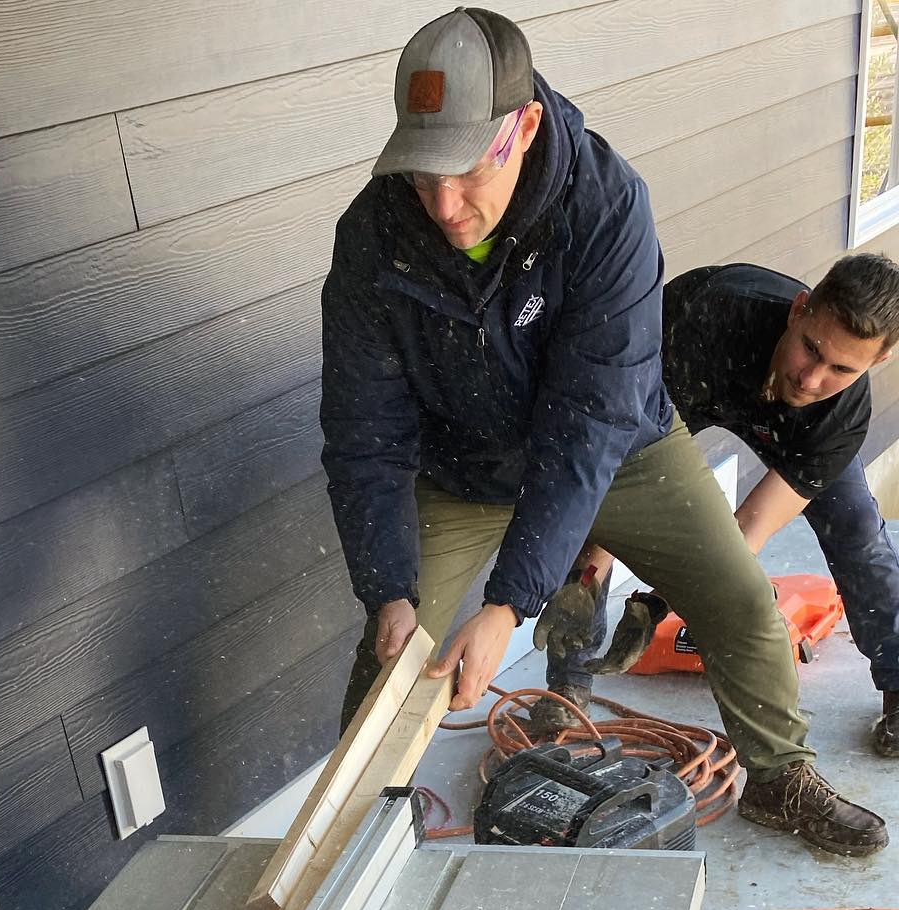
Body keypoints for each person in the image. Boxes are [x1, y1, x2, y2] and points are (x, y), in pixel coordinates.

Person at [320, 6, 887, 856]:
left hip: (622, 446)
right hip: (465, 463)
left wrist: (511, 603)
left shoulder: (607, 207)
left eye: (469, 170)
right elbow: (361, 430)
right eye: (421, 171)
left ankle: (777, 779)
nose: (443, 204)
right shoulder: (372, 236)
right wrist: (388, 591)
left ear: (527, 126)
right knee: (393, 659)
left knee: (741, 605)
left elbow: (585, 426)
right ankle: (347, 837)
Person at [539, 254, 899, 759]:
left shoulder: (841, 414)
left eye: (841, 368)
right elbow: (616, 467)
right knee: (593, 526)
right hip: (690, 378)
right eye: (810, 349)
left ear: (875, 362)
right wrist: (593, 567)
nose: (812, 378)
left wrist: (658, 603)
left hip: (796, 432)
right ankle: (566, 688)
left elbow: (747, 528)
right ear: (798, 311)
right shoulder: (707, 320)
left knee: (858, 529)